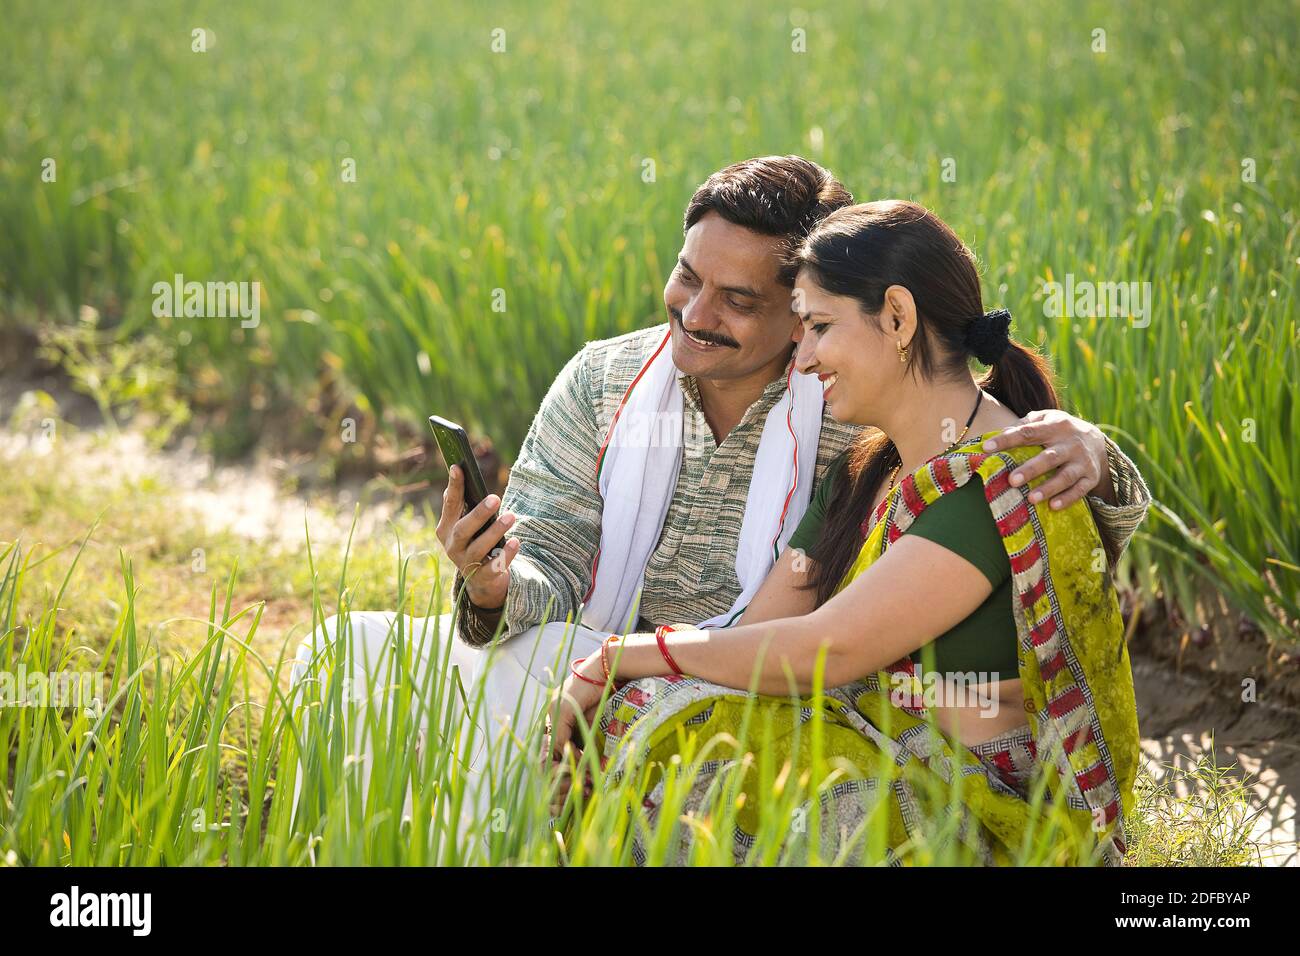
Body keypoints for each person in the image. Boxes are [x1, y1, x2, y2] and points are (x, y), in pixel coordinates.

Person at [290, 157, 1149, 833]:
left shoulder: (858, 421)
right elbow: (557, 565)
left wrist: (1097, 450)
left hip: (759, 688)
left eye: (744, 302)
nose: (696, 313)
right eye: (687, 277)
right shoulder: (609, 382)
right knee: (343, 653)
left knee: (541, 733)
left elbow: (835, 637)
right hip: (626, 653)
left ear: (807, 309)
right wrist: (491, 586)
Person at [546, 200, 1142, 866]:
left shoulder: (996, 487)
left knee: (716, 753)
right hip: (885, 753)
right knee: (663, 710)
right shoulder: (866, 470)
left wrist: (618, 654)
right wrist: (633, 671)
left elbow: (823, 651)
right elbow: (754, 638)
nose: (801, 360)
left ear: (898, 316)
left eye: (820, 327)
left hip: (976, 813)